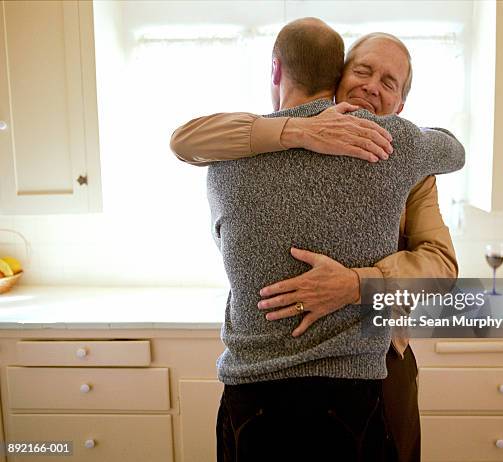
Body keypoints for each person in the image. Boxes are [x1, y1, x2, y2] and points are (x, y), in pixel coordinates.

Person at [172, 20, 464, 461]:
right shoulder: (252, 143)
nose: (371, 87)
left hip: (381, 363)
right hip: (290, 384)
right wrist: (298, 130)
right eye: (362, 72)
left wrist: (356, 284)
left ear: (402, 103)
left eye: (389, 82)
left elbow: (441, 272)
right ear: (338, 76)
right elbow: (185, 140)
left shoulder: (406, 159)